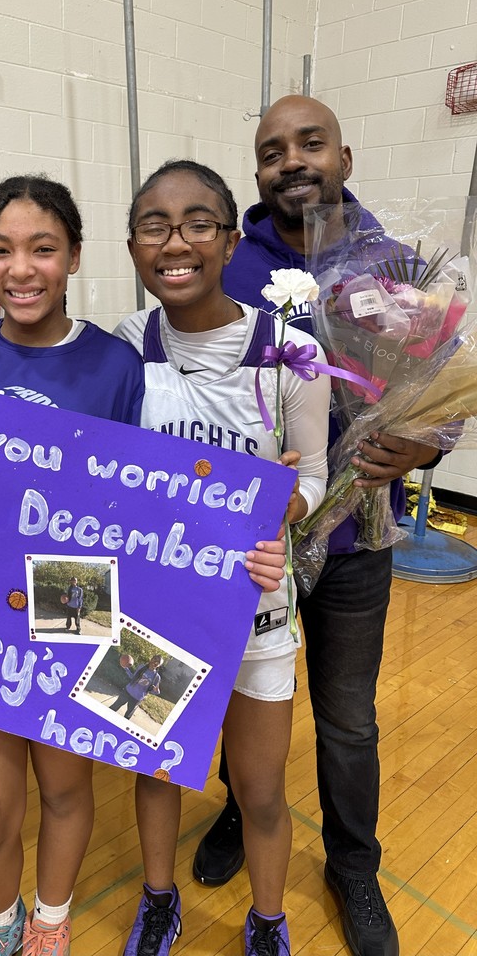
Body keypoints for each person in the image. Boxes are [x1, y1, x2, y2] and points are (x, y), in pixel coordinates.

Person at [193, 95, 441, 956]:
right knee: (240, 692)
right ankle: (240, 806)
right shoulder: (229, 262)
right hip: (253, 540)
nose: (292, 161)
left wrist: (420, 443)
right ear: (256, 171)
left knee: (346, 716)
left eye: (310, 144)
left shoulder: (395, 263)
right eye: (272, 151)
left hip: (356, 537)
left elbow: (439, 389)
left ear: (344, 155)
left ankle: (353, 866)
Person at [0, 173, 147, 956]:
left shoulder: (117, 366)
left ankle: (51, 921)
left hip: (73, 592)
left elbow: (138, 501)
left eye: (42, 249)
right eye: (1, 250)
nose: (21, 269)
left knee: (64, 787)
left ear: (74, 257)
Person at [114, 159, 331, 956]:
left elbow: (313, 473)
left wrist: (289, 512)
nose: (176, 243)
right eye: (155, 226)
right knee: (160, 772)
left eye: (198, 223)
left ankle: (268, 918)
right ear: (133, 244)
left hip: (258, 615)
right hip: (154, 616)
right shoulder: (120, 350)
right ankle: (160, 900)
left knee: (262, 790)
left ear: (231, 240)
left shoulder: (291, 356)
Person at [111, 654, 163, 720]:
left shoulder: (157, 677)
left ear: (159, 665)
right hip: (127, 692)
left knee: (127, 717)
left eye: (158, 662)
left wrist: (156, 691)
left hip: (136, 699)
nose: (156, 662)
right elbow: (133, 677)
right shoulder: (141, 667)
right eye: (155, 659)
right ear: (151, 659)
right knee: (114, 707)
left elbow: (152, 691)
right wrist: (126, 668)